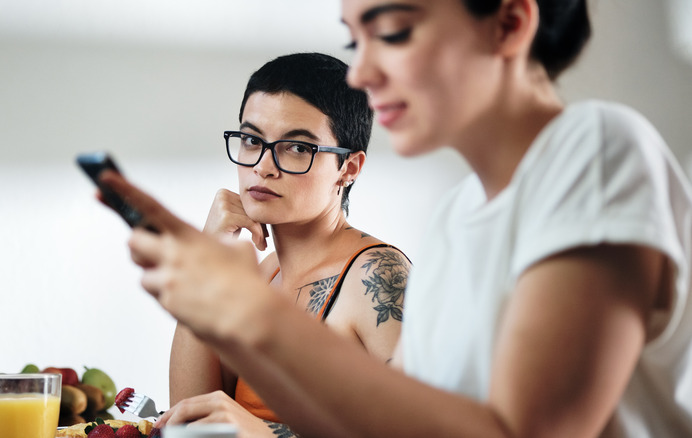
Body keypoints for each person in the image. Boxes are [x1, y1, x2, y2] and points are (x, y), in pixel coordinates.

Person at [99, 0, 692, 436]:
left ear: (509, 23)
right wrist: (214, 307)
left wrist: (250, 317)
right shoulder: (458, 217)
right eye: (357, 43)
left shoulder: (596, 149)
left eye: (393, 32)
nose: (360, 74)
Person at [159, 53, 410, 436]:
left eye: (297, 148)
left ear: (349, 167)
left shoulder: (375, 275)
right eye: (251, 140)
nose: (263, 166)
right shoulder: (263, 276)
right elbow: (192, 420)